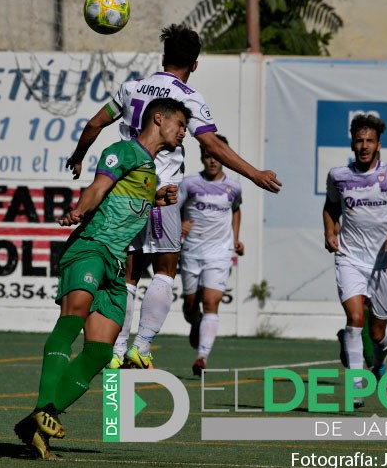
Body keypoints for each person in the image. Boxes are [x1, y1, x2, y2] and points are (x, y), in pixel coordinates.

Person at [66, 24, 281, 371]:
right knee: (165, 270)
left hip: (124, 196)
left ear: (163, 57)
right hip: (161, 194)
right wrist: (254, 173)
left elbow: (93, 125)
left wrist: (78, 156)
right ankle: (143, 346)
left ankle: (117, 351)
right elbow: (212, 144)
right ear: (194, 65)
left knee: (128, 276)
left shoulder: (131, 88)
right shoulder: (188, 98)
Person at [14, 98, 190, 460]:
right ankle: (43, 411)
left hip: (114, 262)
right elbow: (98, 187)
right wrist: (80, 209)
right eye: (181, 125)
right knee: (72, 317)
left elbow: (125, 199)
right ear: (160, 119)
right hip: (91, 247)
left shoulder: (149, 168)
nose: (184, 133)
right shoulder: (122, 150)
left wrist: (157, 199)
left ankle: (40, 419)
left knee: (99, 352)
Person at [322, 114, 387, 408]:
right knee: (354, 319)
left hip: (384, 261)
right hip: (350, 257)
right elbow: (330, 207)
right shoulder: (338, 176)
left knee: (377, 334)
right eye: (359, 140)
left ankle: (379, 365)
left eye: (369, 141)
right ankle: (357, 385)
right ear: (352, 144)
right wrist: (330, 231)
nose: (364, 146)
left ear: (378, 144)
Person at [179, 135, 243, 376]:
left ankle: (202, 357)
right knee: (189, 306)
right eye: (208, 155)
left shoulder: (234, 187)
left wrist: (235, 239)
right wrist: (180, 223)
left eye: (217, 155)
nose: (212, 160)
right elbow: (172, 210)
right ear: (202, 156)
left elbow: (236, 210)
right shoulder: (189, 183)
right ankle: (196, 323)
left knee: (211, 302)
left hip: (220, 253)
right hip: (192, 251)